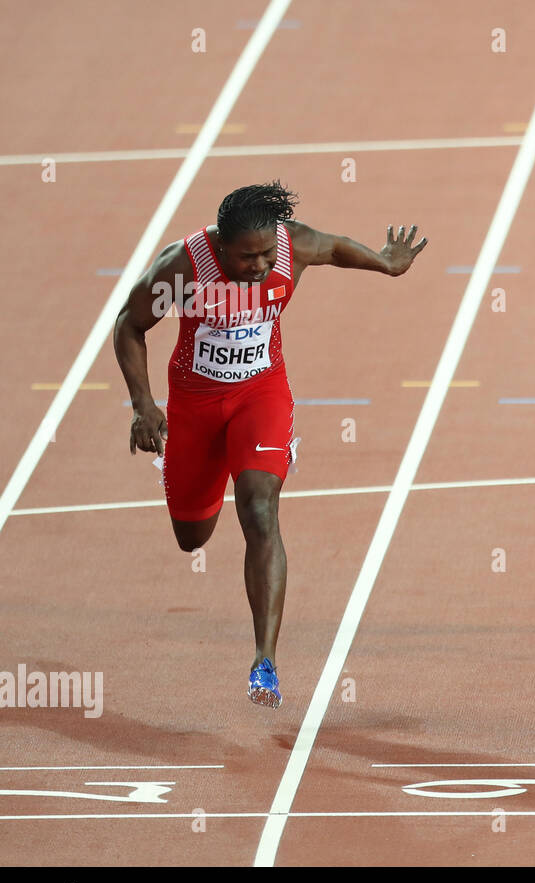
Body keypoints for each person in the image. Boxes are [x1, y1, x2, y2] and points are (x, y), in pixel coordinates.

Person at [113, 182, 426, 707]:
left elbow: (334, 248)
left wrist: (384, 262)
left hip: (261, 395)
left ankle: (265, 661)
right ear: (220, 247)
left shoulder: (291, 244)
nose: (259, 265)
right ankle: (191, 472)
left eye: (265, 254)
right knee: (191, 538)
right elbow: (129, 323)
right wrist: (143, 404)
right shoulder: (183, 266)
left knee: (259, 510)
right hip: (194, 406)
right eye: (246, 257)